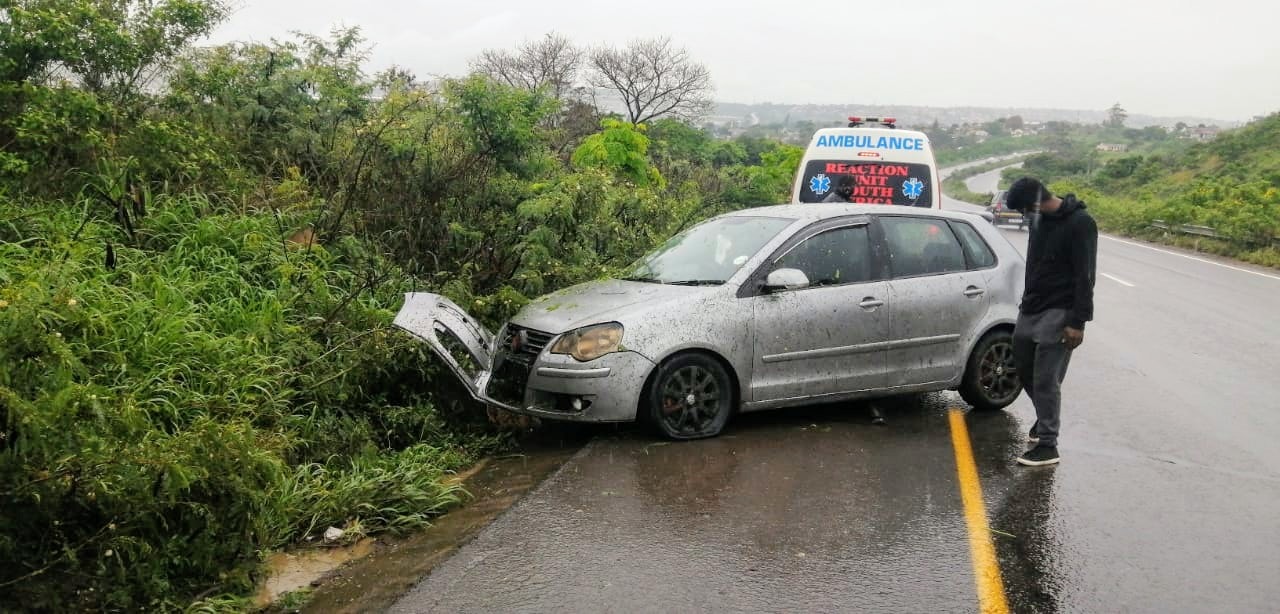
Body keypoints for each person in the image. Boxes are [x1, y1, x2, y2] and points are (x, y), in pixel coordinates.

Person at [1004, 177, 1097, 467]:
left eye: (1023, 210)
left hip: (1060, 310)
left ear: (1034, 202)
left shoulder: (1080, 223)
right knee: (1021, 364)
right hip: (1032, 306)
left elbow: (1086, 274)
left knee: (1046, 378)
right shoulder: (1038, 221)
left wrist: (1078, 321)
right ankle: (1044, 417)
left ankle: (1048, 444)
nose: (1022, 216)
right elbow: (1035, 265)